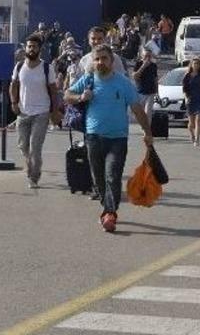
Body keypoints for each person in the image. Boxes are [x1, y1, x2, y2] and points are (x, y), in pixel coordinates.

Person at [65, 44, 153, 233]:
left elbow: (137, 109)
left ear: (112, 61)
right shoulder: (88, 80)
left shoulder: (123, 83)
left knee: (112, 175)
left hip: (117, 139)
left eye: (104, 58)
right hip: (93, 137)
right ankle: (107, 209)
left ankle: (110, 213)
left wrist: (148, 132)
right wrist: (81, 97)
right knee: (98, 179)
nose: (100, 62)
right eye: (97, 59)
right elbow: (67, 95)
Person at [10, 34, 60, 189]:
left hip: (42, 112)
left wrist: (54, 111)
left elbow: (53, 91)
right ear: (26, 48)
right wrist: (14, 102)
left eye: (34, 46)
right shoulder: (19, 66)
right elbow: (13, 85)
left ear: (40, 49)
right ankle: (31, 164)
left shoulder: (47, 67)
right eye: (29, 46)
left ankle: (34, 177)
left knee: (34, 146)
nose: (31, 49)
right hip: (23, 112)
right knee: (23, 146)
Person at [182, 57, 200, 147]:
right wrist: (186, 98)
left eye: (197, 64)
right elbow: (184, 89)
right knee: (191, 123)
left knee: (198, 119)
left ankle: (197, 139)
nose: (196, 65)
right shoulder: (187, 76)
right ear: (191, 65)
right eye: (194, 64)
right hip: (191, 99)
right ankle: (192, 135)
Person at [132, 48, 158, 119]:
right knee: (140, 113)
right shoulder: (138, 64)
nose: (148, 58)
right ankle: (144, 125)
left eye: (149, 56)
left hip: (151, 92)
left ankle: (147, 128)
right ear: (142, 56)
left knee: (148, 112)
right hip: (140, 92)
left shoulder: (153, 65)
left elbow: (155, 79)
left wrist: (157, 91)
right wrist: (143, 66)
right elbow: (135, 76)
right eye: (146, 56)